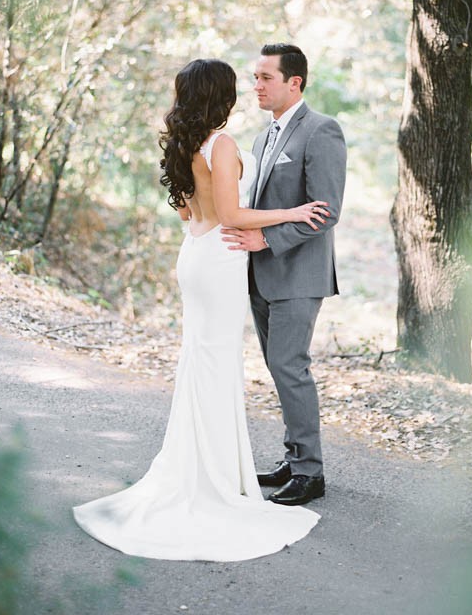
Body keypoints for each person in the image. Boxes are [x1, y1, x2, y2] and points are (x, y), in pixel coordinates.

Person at [72, 58, 330, 562]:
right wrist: (293, 212)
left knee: (202, 363)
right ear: (221, 95)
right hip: (220, 257)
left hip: (195, 253)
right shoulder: (224, 143)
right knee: (213, 367)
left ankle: (209, 470)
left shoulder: (185, 142)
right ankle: (209, 481)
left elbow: (187, 209)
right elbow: (232, 215)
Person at [222, 43, 347, 507]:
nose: (256, 86)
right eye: (255, 77)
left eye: (265, 78)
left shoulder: (322, 131)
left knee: (291, 369)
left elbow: (326, 211)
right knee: (279, 370)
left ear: (294, 82)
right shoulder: (262, 137)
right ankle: (294, 459)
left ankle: (310, 473)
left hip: (297, 274)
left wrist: (268, 241)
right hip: (259, 275)